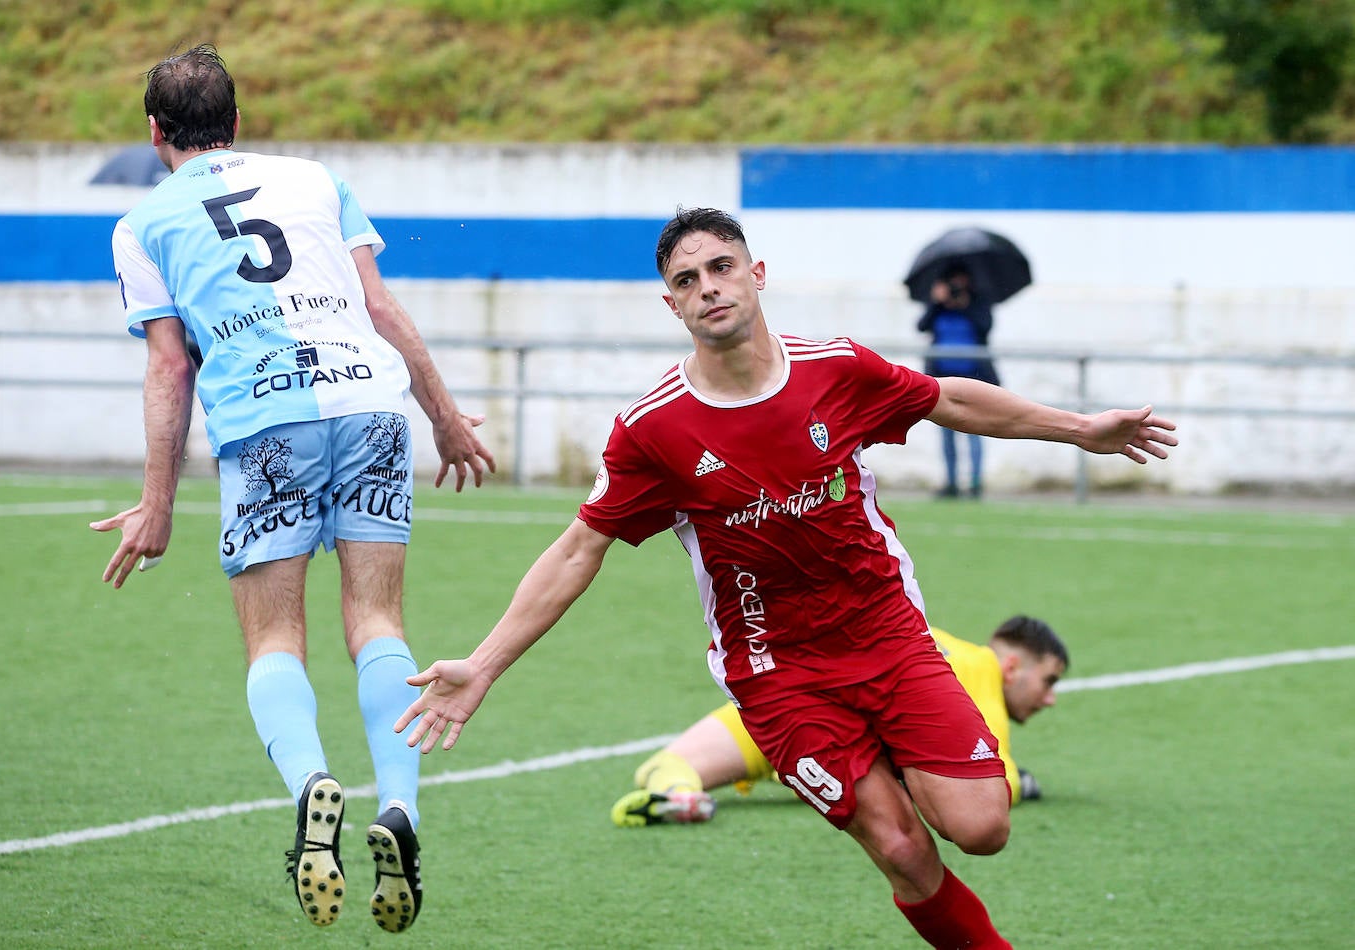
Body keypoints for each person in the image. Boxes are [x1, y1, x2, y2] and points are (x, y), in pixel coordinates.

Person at [394, 208, 1175, 949]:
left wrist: (1082, 431)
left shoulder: (836, 369)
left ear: (757, 273)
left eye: (721, 267)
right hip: (779, 672)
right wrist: (483, 665)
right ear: (672, 304)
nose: (709, 287)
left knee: (982, 826)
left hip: (889, 636)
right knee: (901, 845)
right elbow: (577, 549)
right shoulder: (653, 430)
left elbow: (947, 399)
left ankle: (893, 750)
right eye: (688, 280)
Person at [91, 45, 495, 933]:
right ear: (237, 121)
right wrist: (447, 417)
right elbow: (382, 309)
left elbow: (169, 368)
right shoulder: (316, 178)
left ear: (155, 133)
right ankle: (400, 811)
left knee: (275, 634)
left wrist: (156, 503)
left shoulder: (142, 225)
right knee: (377, 623)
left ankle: (314, 783)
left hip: (264, 421)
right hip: (369, 403)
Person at [612, 615, 1068, 827]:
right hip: (836, 736)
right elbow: (997, 783)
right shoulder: (981, 668)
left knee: (669, 765)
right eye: (1048, 681)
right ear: (1011, 667)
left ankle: (679, 796)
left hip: (787, 700)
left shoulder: (930, 636)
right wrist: (1022, 782)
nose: (1049, 699)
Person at [916, 265, 1000, 499]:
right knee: (946, 433)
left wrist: (964, 305)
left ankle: (975, 483)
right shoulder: (939, 307)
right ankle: (951, 481)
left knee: (976, 431)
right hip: (942, 378)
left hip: (974, 377)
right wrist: (937, 302)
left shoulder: (977, 303)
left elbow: (986, 326)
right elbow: (921, 325)